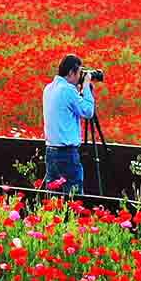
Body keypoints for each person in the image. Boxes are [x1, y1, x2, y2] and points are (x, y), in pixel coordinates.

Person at [41, 54, 97, 194]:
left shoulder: (48, 88)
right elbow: (88, 111)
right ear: (71, 72)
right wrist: (86, 87)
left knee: (54, 198)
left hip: (51, 152)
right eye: (79, 73)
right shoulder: (67, 90)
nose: (80, 77)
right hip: (66, 154)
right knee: (74, 197)